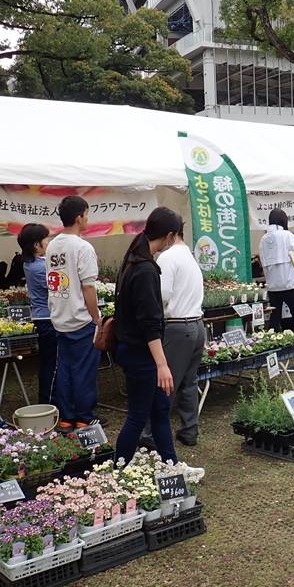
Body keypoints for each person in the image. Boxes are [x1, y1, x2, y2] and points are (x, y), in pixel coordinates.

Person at [114, 207, 183, 465]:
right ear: (169, 235)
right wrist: (162, 365)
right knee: (138, 415)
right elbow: (150, 324)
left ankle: (171, 464)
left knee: (160, 410)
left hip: (134, 350)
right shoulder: (145, 269)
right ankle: (118, 470)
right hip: (141, 353)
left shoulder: (134, 259)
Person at [46, 196, 102, 432]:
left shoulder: (52, 245)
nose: (88, 218)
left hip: (59, 316)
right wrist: (96, 317)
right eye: (87, 214)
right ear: (79, 217)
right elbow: (88, 287)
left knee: (65, 369)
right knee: (84, 370)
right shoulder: (82, 247)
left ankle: (66, 417)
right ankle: (84, 417)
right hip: (81, 319)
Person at [157, 225, 206, 446]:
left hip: (177, 326)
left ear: (170, 234)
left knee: (167, 382)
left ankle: (152, 434)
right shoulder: (190, 256)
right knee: (188, 381)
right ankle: (189, 430)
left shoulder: (167, 257)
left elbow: (162, 295)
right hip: (196, 324)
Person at [17, 223, 57, 406]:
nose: (48, 243)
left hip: (43, 317)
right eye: (46, 239)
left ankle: (49, 401)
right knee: (51, 364)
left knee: (49, 362)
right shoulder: (38, 267)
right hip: (47, 318)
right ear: (36, 245)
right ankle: (49, 402)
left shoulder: (32, 262)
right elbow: (56, 287)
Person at [259, 209, 294, 341]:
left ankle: (273, 346)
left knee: (275, 316)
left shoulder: (263, 239)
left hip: (273, 286)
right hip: (289, 284)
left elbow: (262, 262)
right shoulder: (287, 235)